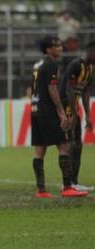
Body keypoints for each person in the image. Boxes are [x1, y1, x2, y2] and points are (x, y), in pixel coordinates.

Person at [30, 35, 88, 198]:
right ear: (49, 50)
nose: (61, 48)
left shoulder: (38, 64)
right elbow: (52, 89)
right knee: (63, 145)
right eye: (57, 46)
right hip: (48, 111)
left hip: (35, 110)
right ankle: (68, 186)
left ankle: (41, 190)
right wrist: (61, 112)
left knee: (39, 150)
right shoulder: (51, 64)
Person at [59, 41, 95, 192]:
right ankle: (67, 183)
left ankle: (73, 181)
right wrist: (73, 115)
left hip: (73, 109)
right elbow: (68, 91)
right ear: (91, 51)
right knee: (69, 145)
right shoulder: (76, 65)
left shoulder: (90, 68)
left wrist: (87, 115)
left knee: (77, 145)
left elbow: (85, 92)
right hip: (65, 108)